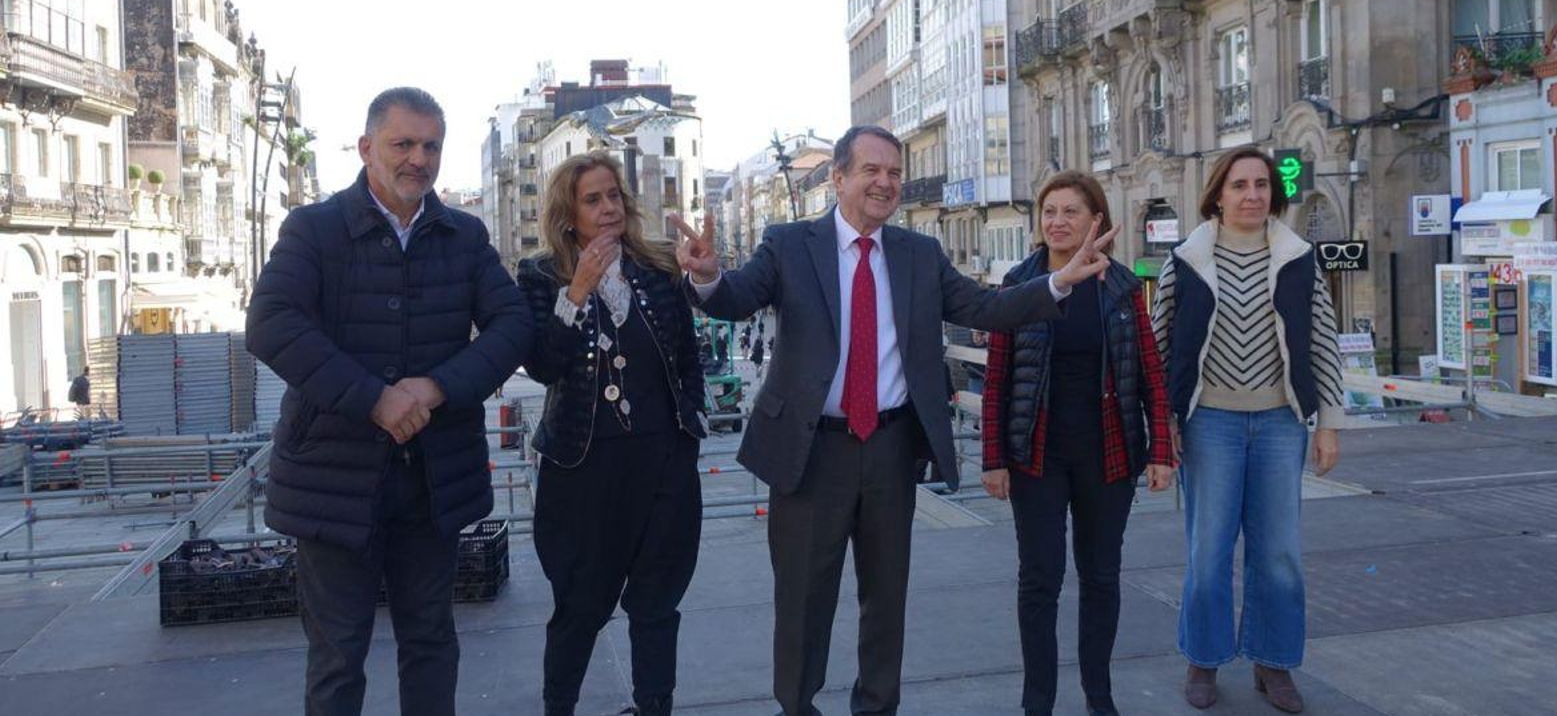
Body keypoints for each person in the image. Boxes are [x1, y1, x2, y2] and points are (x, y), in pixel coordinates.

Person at [669, 125, 1117, 716]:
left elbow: (987, 308)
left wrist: (1059, 280)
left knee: (886, 599)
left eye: (895, 173)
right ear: (838, 178)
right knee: (803, 600)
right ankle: (797, 706)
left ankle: (876, 708)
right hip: (809, 454)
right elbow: (737, 298)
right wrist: (705, 275)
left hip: (889, 447)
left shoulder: (919, 253)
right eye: (871, 171)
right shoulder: (788, 243)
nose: (885, 183)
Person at [246, 87, 533, 716]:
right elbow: (270, 323)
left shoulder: (464, 235)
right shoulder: (314, 229)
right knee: (337, 656)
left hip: (431, 482)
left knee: (431, 640)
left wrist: (438, 387)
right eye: (403, 144)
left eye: (431, 146)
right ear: (367, 147)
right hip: (333, 479)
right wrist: (374, 399)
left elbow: (513, 323)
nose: (418, 160)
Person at [1149, 147, 1346, 714]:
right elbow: (1160, 346)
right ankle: (1204, 660)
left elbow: (1323, 343)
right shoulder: (1186, 260)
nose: (1252, 195)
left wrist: (1328, 424)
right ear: (1218, 194)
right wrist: (1163, 425)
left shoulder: (1298, 257)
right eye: (1239, 185)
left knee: (1279, 552)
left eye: (1261, 185)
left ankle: (1273, 662)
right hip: (1209, 423)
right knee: (1207, 551)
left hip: (1282, 423)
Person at [979, 172, 1178, 716]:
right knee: (1039, 580)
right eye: (1049, 211)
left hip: (1108, 452)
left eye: (1071, 211)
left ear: (1097, 221)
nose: (1057, 222)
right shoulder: (1018, 284)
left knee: (1101, 577)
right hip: (1036, 454)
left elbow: (1149, 372)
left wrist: (1161, 448)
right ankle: (1037, 702)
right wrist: (993, 458)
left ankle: (1099, 696)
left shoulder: (1120, 285)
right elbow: (997, 378)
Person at [516, 152, 707, 716]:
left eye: (613, 196)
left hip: (663, 465)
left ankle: (654, 707)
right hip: (583, 470)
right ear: (569, 214)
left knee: (657, 603)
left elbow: (688, 361)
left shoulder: (658, 270)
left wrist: (690, 422)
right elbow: (543, 366)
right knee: (580, 605)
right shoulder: (540, 275)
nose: (607, 209)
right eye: (592, 200)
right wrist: (576, 291)